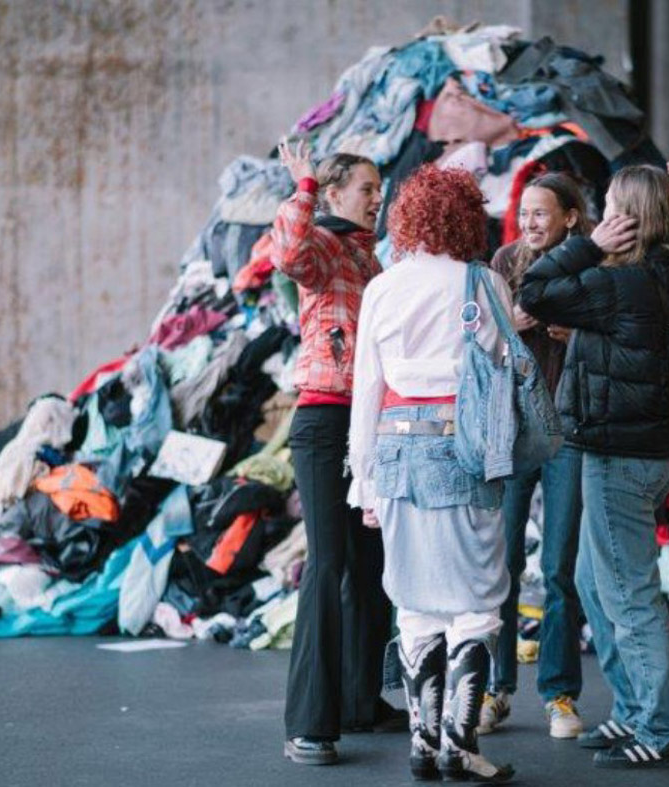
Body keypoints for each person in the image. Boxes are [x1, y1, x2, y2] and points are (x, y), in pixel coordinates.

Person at [519, 162, 669, 769]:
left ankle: (662, 727)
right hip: (652, 449)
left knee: (627, 593)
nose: (603, 217)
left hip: (619, 454)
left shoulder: (617, 283)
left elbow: (534, 289)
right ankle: (632, 710)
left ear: (627, 219)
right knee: (601, 585)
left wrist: (584, 246)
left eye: (612, 208)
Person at [348, 164, 515, 783]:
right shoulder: (485, 284)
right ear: (467, 217)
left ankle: (421, 742)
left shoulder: (383, 287)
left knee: (414, 599)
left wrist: (362, 481)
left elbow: (367, 388)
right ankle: (459, 743)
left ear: (408, 218)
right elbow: (498, 373)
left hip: (393, 453)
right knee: (477, 598)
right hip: (464, 450)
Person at [478, 172, 622, 740]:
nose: (531, 223)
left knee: (559, 571)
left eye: (543, 213)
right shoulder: (503, 262)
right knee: (502, 568)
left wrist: (573, 334)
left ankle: (560, 695)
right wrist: (507, 329)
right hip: (511, 435)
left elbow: (617, 339)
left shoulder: (594, 266)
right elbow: (476, 349)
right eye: (525, 213)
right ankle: (495, 688)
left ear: (570, 216)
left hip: (568, 433)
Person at [273, 139, 402, 766]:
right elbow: (287, 253)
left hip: (368, 424)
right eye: (366, 189)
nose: (377, 199)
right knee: (326, 565)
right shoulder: (323, 245)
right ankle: (309, 723)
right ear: (333, 194)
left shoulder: (369, 260)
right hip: (324, 420)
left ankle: (359, 701)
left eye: (380, 190)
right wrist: (301, 188)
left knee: (372, 566)